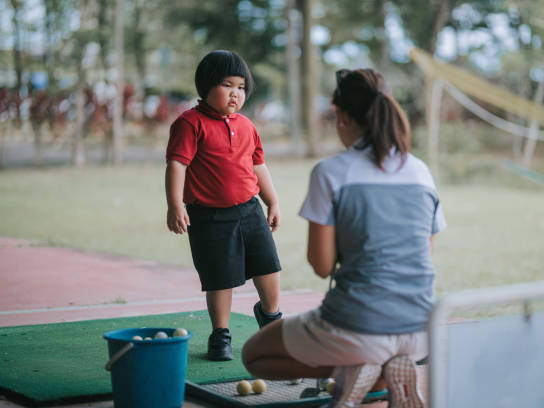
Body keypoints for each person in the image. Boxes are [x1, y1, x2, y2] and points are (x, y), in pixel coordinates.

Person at [242, 68, 446, 408]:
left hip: (357, 325)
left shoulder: (330, 173)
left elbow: (321, 266)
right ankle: (380, 363)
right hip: (420, 329)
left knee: (254, 355)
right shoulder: (420, 171)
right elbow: (424, 251)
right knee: (382, 352)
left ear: (342, 116)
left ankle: (354, 366)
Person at [165, 50, 283, 362]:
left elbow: (259, 165)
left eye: (242, 87)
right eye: (227, 85)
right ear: (205, 86)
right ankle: (221, 334)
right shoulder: (190, 124)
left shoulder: (246, 126)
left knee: (268, 266)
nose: (236, 93)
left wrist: (272, 201)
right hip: (209, 216)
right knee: (220, 276)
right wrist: (175, 204)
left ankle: (271, 319)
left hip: (249, 210)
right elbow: (177, 165)